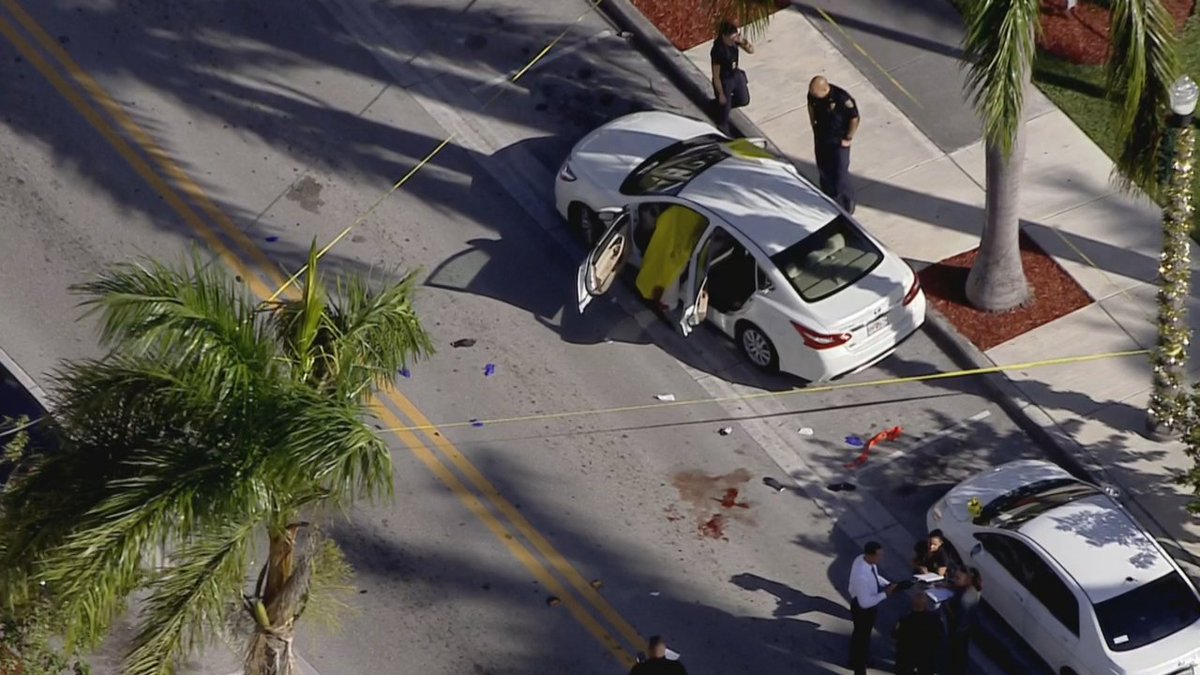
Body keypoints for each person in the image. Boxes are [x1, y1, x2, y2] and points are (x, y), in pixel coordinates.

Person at [806, 76, 860, 213]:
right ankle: (828, 195)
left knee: (840, 171)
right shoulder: (813, 95)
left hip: (838, 140)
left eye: (815, 93)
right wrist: (814, 127)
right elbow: (811, 108)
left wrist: (848, 137)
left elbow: (854, 118)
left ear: (825, 89)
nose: (813, 96)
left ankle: (848, 202)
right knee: (823, 167)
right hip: (822, 136)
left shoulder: (841, 98)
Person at [847, 541, 899, 675]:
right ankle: (859, 666)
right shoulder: (861, 575)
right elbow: (865, 603)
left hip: (865, 604)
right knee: (862, 639)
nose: (880, 558)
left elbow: (875, 577)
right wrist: (885, 594)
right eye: (878, 556)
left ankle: (857, 659)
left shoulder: (864, 561)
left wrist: (887, 584)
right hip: (863, 609)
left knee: (861, 635)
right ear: (870, 555)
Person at [710, 21, 754, 135]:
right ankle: (723, 130)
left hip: (736, 75)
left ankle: (718, 106)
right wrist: (720, 94)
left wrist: (743, 41)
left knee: (744, 100)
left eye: (735, 36)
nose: (733, 40)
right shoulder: (718, 50)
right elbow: (716, 75)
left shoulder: (735, 42)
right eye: (731, 37)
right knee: (724, 117)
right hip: (724, 80)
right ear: (724, 36)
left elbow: (751, 50)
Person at [892, 592, 943, 675]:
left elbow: (895, 635)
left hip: (906, 657)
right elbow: (939, 637)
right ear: (926, 604)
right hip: (926, 656)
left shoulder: (905, 620)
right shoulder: (934, 619)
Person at [946, 567, 983, 675]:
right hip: (966, 627)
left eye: (958, 578)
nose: (955, 579)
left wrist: (947, 606)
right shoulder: (972, 588)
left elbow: (958, 618)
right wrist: (948, 585)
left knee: (957, 653)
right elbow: (957, 586)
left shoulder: (967, 598)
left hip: (960, 630)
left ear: (968, 580)